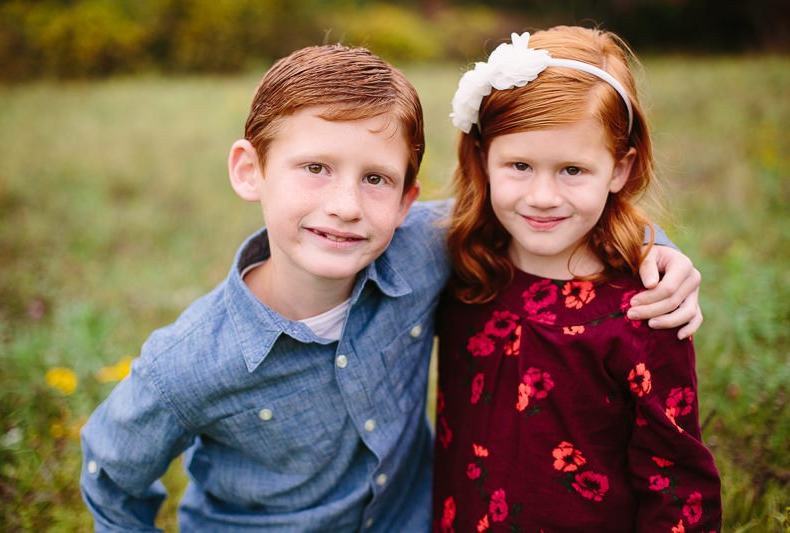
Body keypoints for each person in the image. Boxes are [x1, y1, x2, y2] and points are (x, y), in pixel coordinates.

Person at [80, 43, 704, 532]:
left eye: (376, 179)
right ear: (251, 171)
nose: (346, 206)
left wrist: (656, 247)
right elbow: (111, 479)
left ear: (409, 198)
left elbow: (544, 213)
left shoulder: (428, 250)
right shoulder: (187, 361)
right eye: (316, 168)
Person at [433, 27, 721, 533]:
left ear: (619, 169)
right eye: (519, 165)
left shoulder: (644, 308)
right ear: (483, 157)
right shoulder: (467, 265)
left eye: (572, 170)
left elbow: (676, 483)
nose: (543, 196)